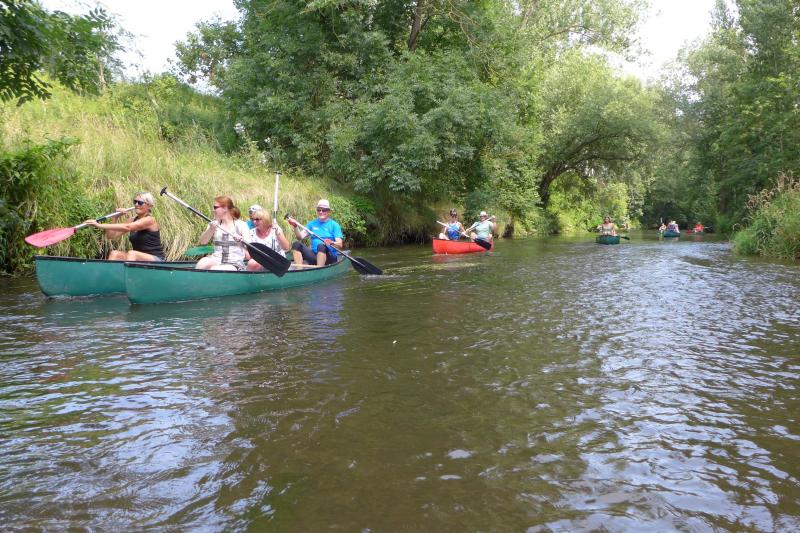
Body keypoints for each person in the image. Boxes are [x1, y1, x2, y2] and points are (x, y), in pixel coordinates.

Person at [83, 192, 165, 261]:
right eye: (135, 202)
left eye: (140, 202)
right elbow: (111, 236)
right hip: (137, 258)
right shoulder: (131, 220)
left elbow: (128, 227)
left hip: (156, 259)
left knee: (132, 253)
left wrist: (98, 225)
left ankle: (129, 275)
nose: (136, 204)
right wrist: (115, 217)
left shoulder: (150, 220)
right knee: (114, 254)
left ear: (149, 206)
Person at [195, 196, 250, 270]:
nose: (213, 210)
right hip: (216, 260)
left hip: (234, 263)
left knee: (215, 269)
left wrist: (241, 241)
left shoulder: (241, 225)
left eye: (215, 207)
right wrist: (211, 229)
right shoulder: (214, 224)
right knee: (202, 263)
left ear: (225, 208)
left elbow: (249, 246)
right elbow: (203, 242)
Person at [287, 199, 343, 266]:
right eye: (319, 210)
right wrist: (295, 226)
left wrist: (331, 243)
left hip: (329, 257)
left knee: (321, 246)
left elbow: (340, 244)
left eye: (324, 210)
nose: (321, 212)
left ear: (328, 211)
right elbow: (300, 237)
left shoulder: (334, 225)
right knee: (296, 244)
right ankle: (299, 269)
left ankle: (319, 268)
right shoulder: (312, 224)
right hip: (314, 256)